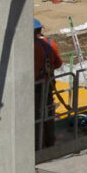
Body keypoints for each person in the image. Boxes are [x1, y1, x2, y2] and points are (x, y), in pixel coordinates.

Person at [33, 19, 63, 150]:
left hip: (36, 86)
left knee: (36, 115)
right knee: (48, 112)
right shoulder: (51, 43)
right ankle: (49, 141)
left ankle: (36, 145)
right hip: (48, 83)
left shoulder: (32, 47)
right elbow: (59, 63)